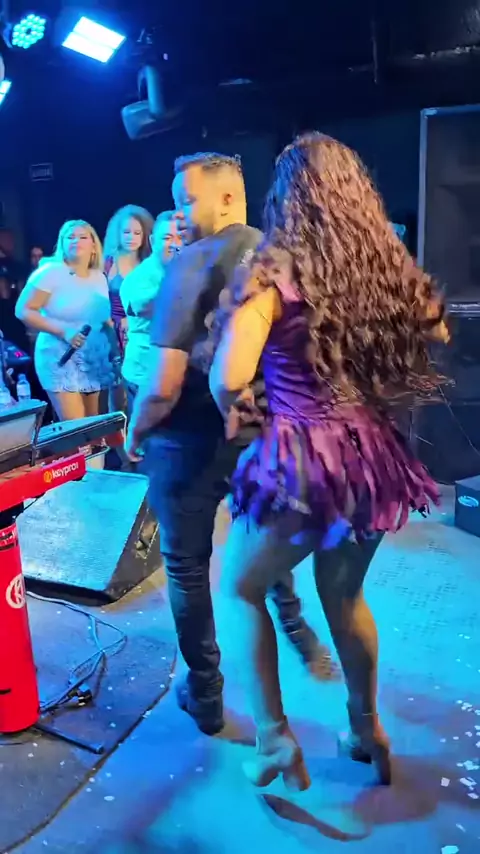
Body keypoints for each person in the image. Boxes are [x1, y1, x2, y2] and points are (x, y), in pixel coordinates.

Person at [209, 133, 450, 789]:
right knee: (345, 597)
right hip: (371, 458)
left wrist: (243, 412)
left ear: (285, 198)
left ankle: (274, 740)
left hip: (302, 461)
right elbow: (438, 329)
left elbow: (229, 375)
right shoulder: (381, 267)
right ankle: (367, 729)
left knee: (240, 588)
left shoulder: (274, 272)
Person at [126, 152, 326, 737]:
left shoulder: (191, 263)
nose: (179, 214)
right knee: (255, 535)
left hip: (186, 440)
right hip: (256, 435)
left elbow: (163, 385)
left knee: (186, 566)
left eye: (187, 200)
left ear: (229, 198)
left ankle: (206, 693)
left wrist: (135, 429)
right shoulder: (278, 255)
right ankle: (294, 624)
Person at [16, 219, 119, 421]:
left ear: (93, 245)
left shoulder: (99, 277)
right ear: (62, 243)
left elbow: (102, 319)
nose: (76, 240)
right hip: (60, 357)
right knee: (76, 428)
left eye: (82, 237)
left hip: (95, 359)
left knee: (96, 426)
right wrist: (64, 331)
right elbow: (23, 310)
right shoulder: (49, 272)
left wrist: (116, 348)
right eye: (70, 237)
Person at [120, 211, 182, 420]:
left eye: (180, 237)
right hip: (145, 376)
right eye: (167, 238)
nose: (175, 244)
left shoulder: (187, 271)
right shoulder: (138, 279)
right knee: (150, 437)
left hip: (176, 375)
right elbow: (152, 307)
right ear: (154, 241)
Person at [104, 205, 154, 360]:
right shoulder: (107, 264)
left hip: (144, 333)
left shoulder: (151, 265)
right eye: (126, 232)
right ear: (118, 233)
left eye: (137, 233)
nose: (131, 237)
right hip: (112, 334)